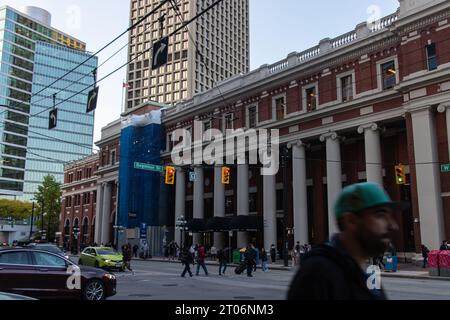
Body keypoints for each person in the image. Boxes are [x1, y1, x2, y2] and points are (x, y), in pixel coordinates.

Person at [288, 182, 403, 300]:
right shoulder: (316, 275)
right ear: (351, 221)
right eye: (380, 215)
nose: (393, 226)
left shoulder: (366, 274)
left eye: (391, 216)